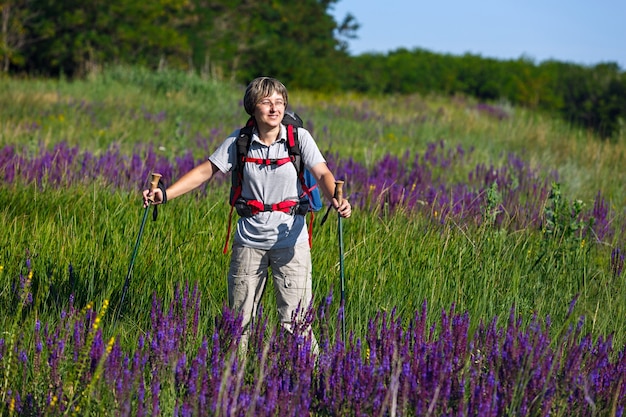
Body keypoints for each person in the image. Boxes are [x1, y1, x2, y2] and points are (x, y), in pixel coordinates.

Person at [143, 76, 352, 355]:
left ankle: (316, 383)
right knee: (238, 323)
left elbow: (322, 172)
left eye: (279, 102)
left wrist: (336, 200)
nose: (274, 108)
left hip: (291, 241)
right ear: (252, 107)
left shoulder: (299, 138)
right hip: (249, 241)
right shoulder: (239, 141)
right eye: (266, 102)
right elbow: (207, 171)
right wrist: (165, 194)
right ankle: (233, 383)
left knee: (296, 323)